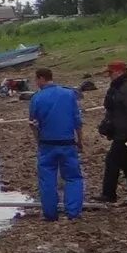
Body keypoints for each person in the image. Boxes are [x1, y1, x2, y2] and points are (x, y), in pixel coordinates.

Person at [27, 67, 84, 222]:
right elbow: (77, 121)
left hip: (47, 144)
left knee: (47, 179)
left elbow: (33, 123)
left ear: (40, 79)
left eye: (36, 79)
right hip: (67, 142)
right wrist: (80, 140)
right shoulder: (69, 94)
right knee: (73, 177)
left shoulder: (37, 98)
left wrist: (38, 140)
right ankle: (73, 212)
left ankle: (50, 214)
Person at [98, 62, 127, 205]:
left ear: (118, 72)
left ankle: (109, 194)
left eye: (110, 73)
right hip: (124, 133)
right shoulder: (119, 88)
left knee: (113, 161)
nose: (109, 76)